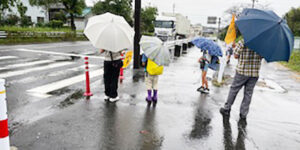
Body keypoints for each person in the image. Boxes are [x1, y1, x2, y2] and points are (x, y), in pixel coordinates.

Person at [220, 41, 262, 120]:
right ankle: (243, 114)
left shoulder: (243, 41)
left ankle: (227, 109)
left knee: (234, 90)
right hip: (254, 73)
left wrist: (242, 54)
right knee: (248, 94)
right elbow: (262, 56)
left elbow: (235, 55)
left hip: (242, 71)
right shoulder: (262, 44)